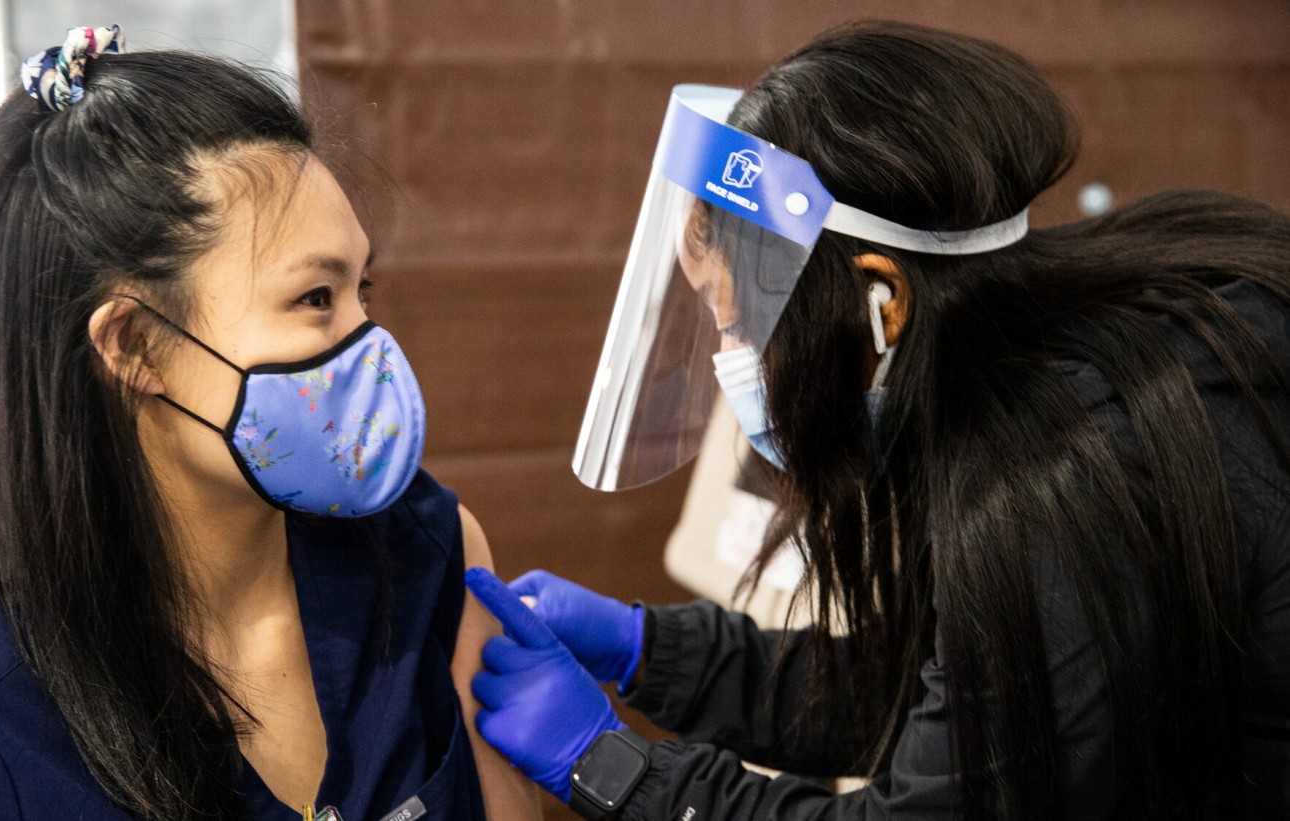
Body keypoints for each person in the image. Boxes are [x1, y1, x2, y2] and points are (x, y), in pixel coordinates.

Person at [463, 20, 1290, 821]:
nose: (730, 364)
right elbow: (955, 701)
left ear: (881, 302)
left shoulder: (1070, 484)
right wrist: (651, 650)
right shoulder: (1081, 355)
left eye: (738, 325)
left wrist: (611, 766)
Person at [0, 25, 539, 821]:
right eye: (314, 299)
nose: (369, 346)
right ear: (136, 345)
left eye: (360, 291)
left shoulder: (426, 555)